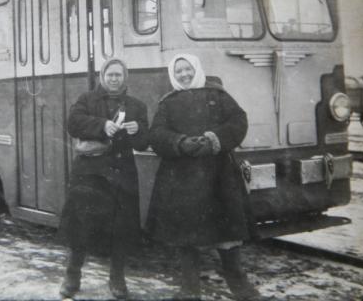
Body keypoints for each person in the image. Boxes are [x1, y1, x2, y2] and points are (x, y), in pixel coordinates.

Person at [147, 54, 261, 301]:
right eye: (179, 72)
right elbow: (156, 135)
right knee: (186, 236)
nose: (184, 75)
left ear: (196, 68)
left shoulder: (218, 95)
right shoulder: (168, 102)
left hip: (219, 175)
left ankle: (241, 288)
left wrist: (214, 140)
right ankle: (189, 290)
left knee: (228, 233)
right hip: (181, 178)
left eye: (188, 69)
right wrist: (180, 143)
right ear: (173, 75)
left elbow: (239, 122)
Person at [58, 58, 149, 300]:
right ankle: (72, 275)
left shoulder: (137, 106)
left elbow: (144, 142)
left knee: (121, 228)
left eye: (119, 75)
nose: (114, 79)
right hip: (90, 174)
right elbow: (72, 124)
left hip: (121, 175)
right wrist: (102, 125)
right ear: (102, 76)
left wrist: (137, 131)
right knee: (81, 225)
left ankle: (117, 279)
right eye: (110, 74)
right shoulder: (86, 99)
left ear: (125, 78)